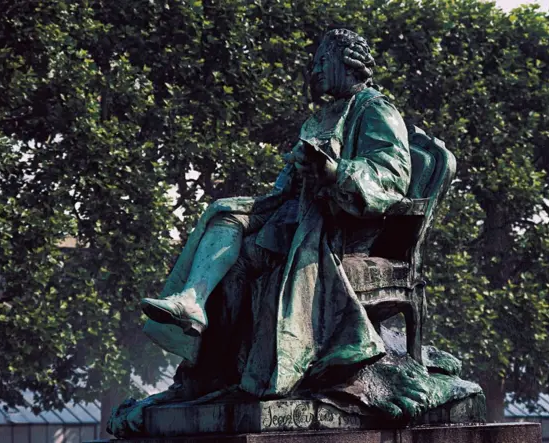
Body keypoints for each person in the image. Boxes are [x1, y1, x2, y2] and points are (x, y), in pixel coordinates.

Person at [140, 28, 413, 400]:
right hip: (293, 215)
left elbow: (392, 174)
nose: (314, 71)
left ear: (348, 64)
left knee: (243, 264)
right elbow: (287, 182)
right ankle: (192, 302)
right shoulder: (322, 116)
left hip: (339, 228)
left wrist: (336, 172)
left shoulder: (374, 108)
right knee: (225, 214)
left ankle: (225, 373)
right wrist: (298, 169)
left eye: (322, 62)